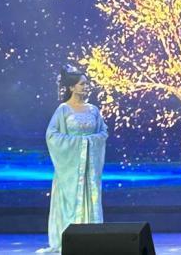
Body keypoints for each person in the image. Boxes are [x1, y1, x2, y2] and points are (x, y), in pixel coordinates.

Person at [37, 64, 108, 253]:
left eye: (87, 83)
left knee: (91, 197)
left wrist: (89, 142)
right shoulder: (63, 110)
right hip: (70, 169)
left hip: (89, 169)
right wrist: (80, 143)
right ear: (71, 87)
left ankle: (91, 240)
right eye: (82, 84)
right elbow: (52, 136)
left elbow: (103, 133)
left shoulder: (93, 110)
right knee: (69, 202)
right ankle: (70, 240)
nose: (86, 87)